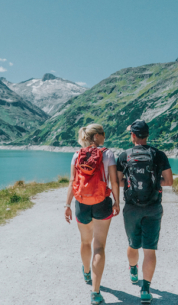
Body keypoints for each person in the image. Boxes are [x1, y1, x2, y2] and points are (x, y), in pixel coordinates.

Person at [116, 120, 173, 304]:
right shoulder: (158, 155)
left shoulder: (124, 155)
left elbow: (118, 181)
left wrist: (131, 184)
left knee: (133, 244)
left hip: (132, 208)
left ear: (133, 135)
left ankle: (133, 270)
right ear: (147, 135)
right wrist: (155, 184)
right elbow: (169, 181)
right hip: (153, 207)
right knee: (149, 250)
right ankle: (146, 290)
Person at [64, 123, 120, 305]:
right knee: (99, 247)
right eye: (103, 133)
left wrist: (67, 204)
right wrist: (117, 202)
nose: (105, 136)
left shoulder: (76, 154)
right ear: (96, 136)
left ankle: (86, 271)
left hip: (81, 203)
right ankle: (95, 293)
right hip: (102, 202)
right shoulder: (108, 154)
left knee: (85, 241)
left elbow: (72, 181)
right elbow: (114, 181)